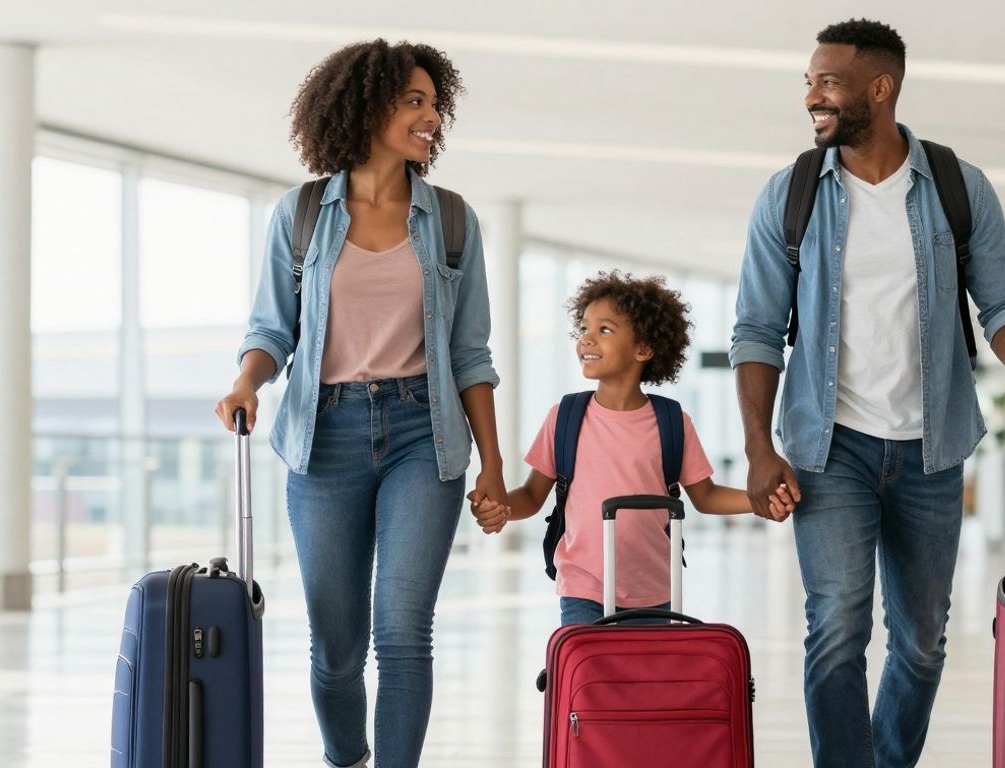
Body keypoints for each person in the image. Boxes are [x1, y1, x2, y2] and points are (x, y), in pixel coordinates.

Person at [728, 19, 1005, 767]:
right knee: (837, 626)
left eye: (828, 82)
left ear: (881, 88)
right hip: (827, 446)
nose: (812, 95)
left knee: (921, 640)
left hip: (931, 449)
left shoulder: (955, 188)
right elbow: (755, 330)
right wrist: (757, 448)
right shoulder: (792, 195)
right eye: (809, 80)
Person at [214, 40, 507, 768]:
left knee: (404, 630)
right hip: (325, 435)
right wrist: (249, 380)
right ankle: (345, 758)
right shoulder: (304, 211)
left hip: (423, 433)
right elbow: (271, 328)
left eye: (436, 104)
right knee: (335, 645)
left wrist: (492, 466)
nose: (432, 117)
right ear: (368, 106)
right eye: (416, 102)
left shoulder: (454, 221)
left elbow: (471, 354)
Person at [472, 271, 793, 625]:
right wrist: (502, 508)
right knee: (590, 676)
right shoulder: (565, 417)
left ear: (643, 349)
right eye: (583, 329)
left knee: (644, 679)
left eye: (604, 330)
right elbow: (533, 496)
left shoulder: (673, 422)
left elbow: (705, 496)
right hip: (583, 586)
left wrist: (760, 499)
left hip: (654, 589)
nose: (586, 340)